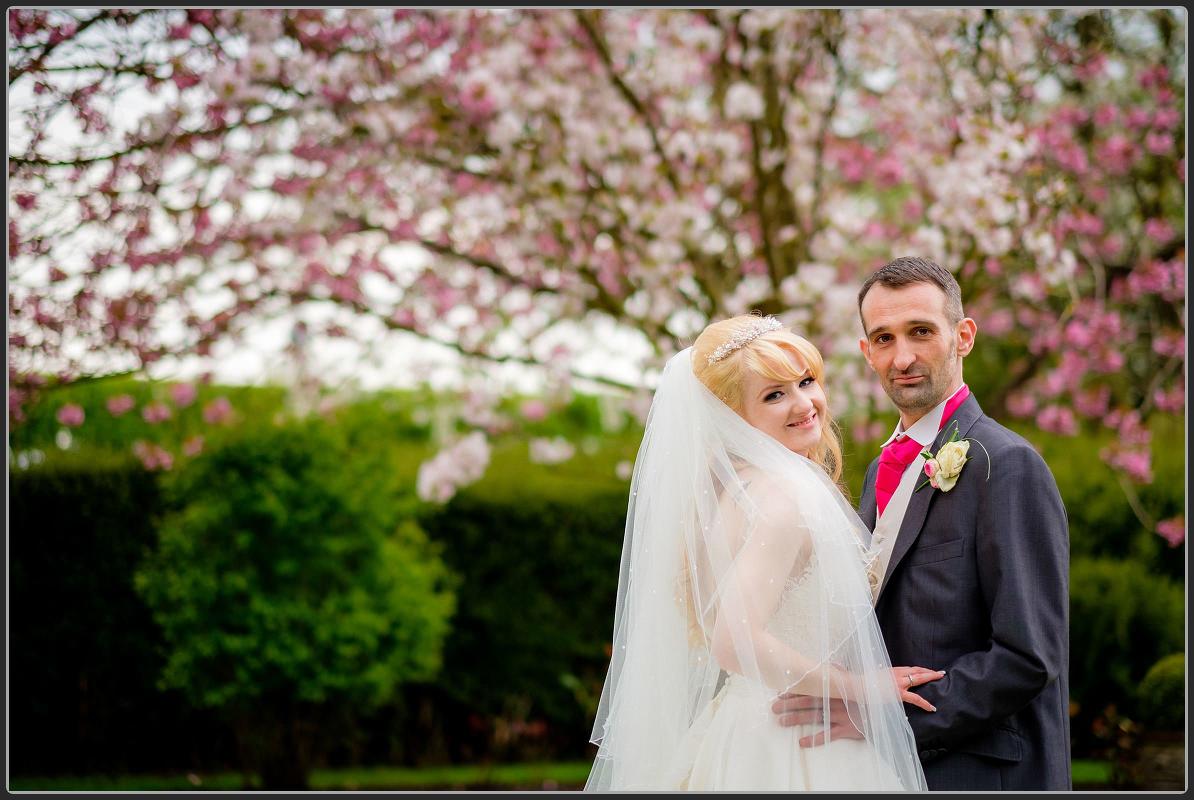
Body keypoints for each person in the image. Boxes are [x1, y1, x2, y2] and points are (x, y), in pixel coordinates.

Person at [585, 314, 940, 791]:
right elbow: (733, 639)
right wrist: (861, 687)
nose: (803, 404)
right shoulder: (785, 497)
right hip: (791, 740)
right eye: (774, 395)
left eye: (805, 381)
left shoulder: (739, 490)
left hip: (746, 724)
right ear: (733, 415)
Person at [772, 256, 1071, 790]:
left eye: (921, 332)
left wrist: (884, 719)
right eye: (883, 339)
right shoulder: (876, 473)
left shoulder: (1005, 465)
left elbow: (1029, 657)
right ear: (866, 352)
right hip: (881, 773)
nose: (902, 356)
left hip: (980, 773)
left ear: (964, 336)